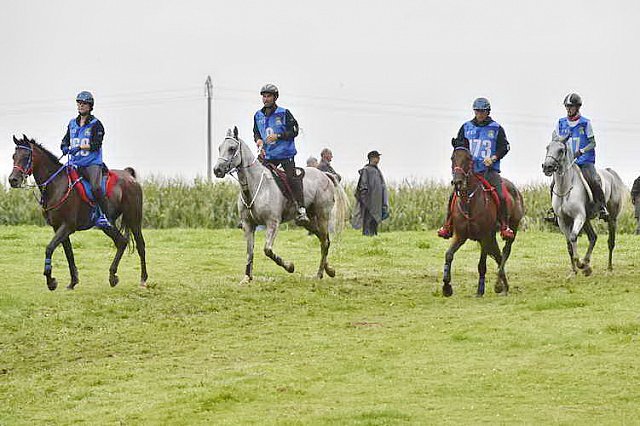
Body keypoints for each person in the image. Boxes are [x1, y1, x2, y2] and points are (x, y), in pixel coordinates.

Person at [437, 97, 514, 240]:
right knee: (454, 195)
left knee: (501, 195)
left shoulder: (496, 128)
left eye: (483, 111)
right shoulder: (466, 127)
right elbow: (459, 147)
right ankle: (447, 225)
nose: (480, 114)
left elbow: (505, 147)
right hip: (470, 172)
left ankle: (504, 226)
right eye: (477, 111)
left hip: (489, 171)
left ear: (488, 112)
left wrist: (493, 158)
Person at [253, 83, 310, 225]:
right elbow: (256, 132)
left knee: (292, 178)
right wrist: (258, 140)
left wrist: (278, 136)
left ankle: (301, 208)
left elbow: (295, 130)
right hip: (268, 155)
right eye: (264, 96)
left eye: (269, 96)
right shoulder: (258, 115)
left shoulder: (284, 113)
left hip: (285, 154)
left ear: (275, 97)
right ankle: (252, 211)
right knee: (256, 178)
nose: (266, 99)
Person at [547, 93, 609, 221]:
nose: (569, 109)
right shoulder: (561, 123)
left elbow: (593, 143)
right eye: (567, 107)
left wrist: (582, 151)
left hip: (584, 161)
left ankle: (602, 207)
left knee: (593, 180)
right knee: (553, 184)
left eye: (571, 107)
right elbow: (557, 141)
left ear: (577, 107)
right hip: (567, 163)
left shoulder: (585, 123)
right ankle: (554, 211)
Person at [61, 91, 111, 229]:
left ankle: (104, 216)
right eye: (79, 103)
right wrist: (65, 147)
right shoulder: (72, 123)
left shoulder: (96, 124)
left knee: (95, 187)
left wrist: (79, 147)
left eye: (84, 103)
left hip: (92, 164)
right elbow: (65, 140)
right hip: (75, 163)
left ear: (90, 106)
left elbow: (96, 145)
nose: (81, 105)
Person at [354, 150, 388, 236]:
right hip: (369, 203)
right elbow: (363, 187)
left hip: (377, 202)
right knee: (368, 222)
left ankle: (374, 236)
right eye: (377, 157)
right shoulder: (366, 170)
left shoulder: (377, 170)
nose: (379, 159)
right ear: (372, 158)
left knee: (374, 223)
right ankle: (367, 238)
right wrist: (366, 202)